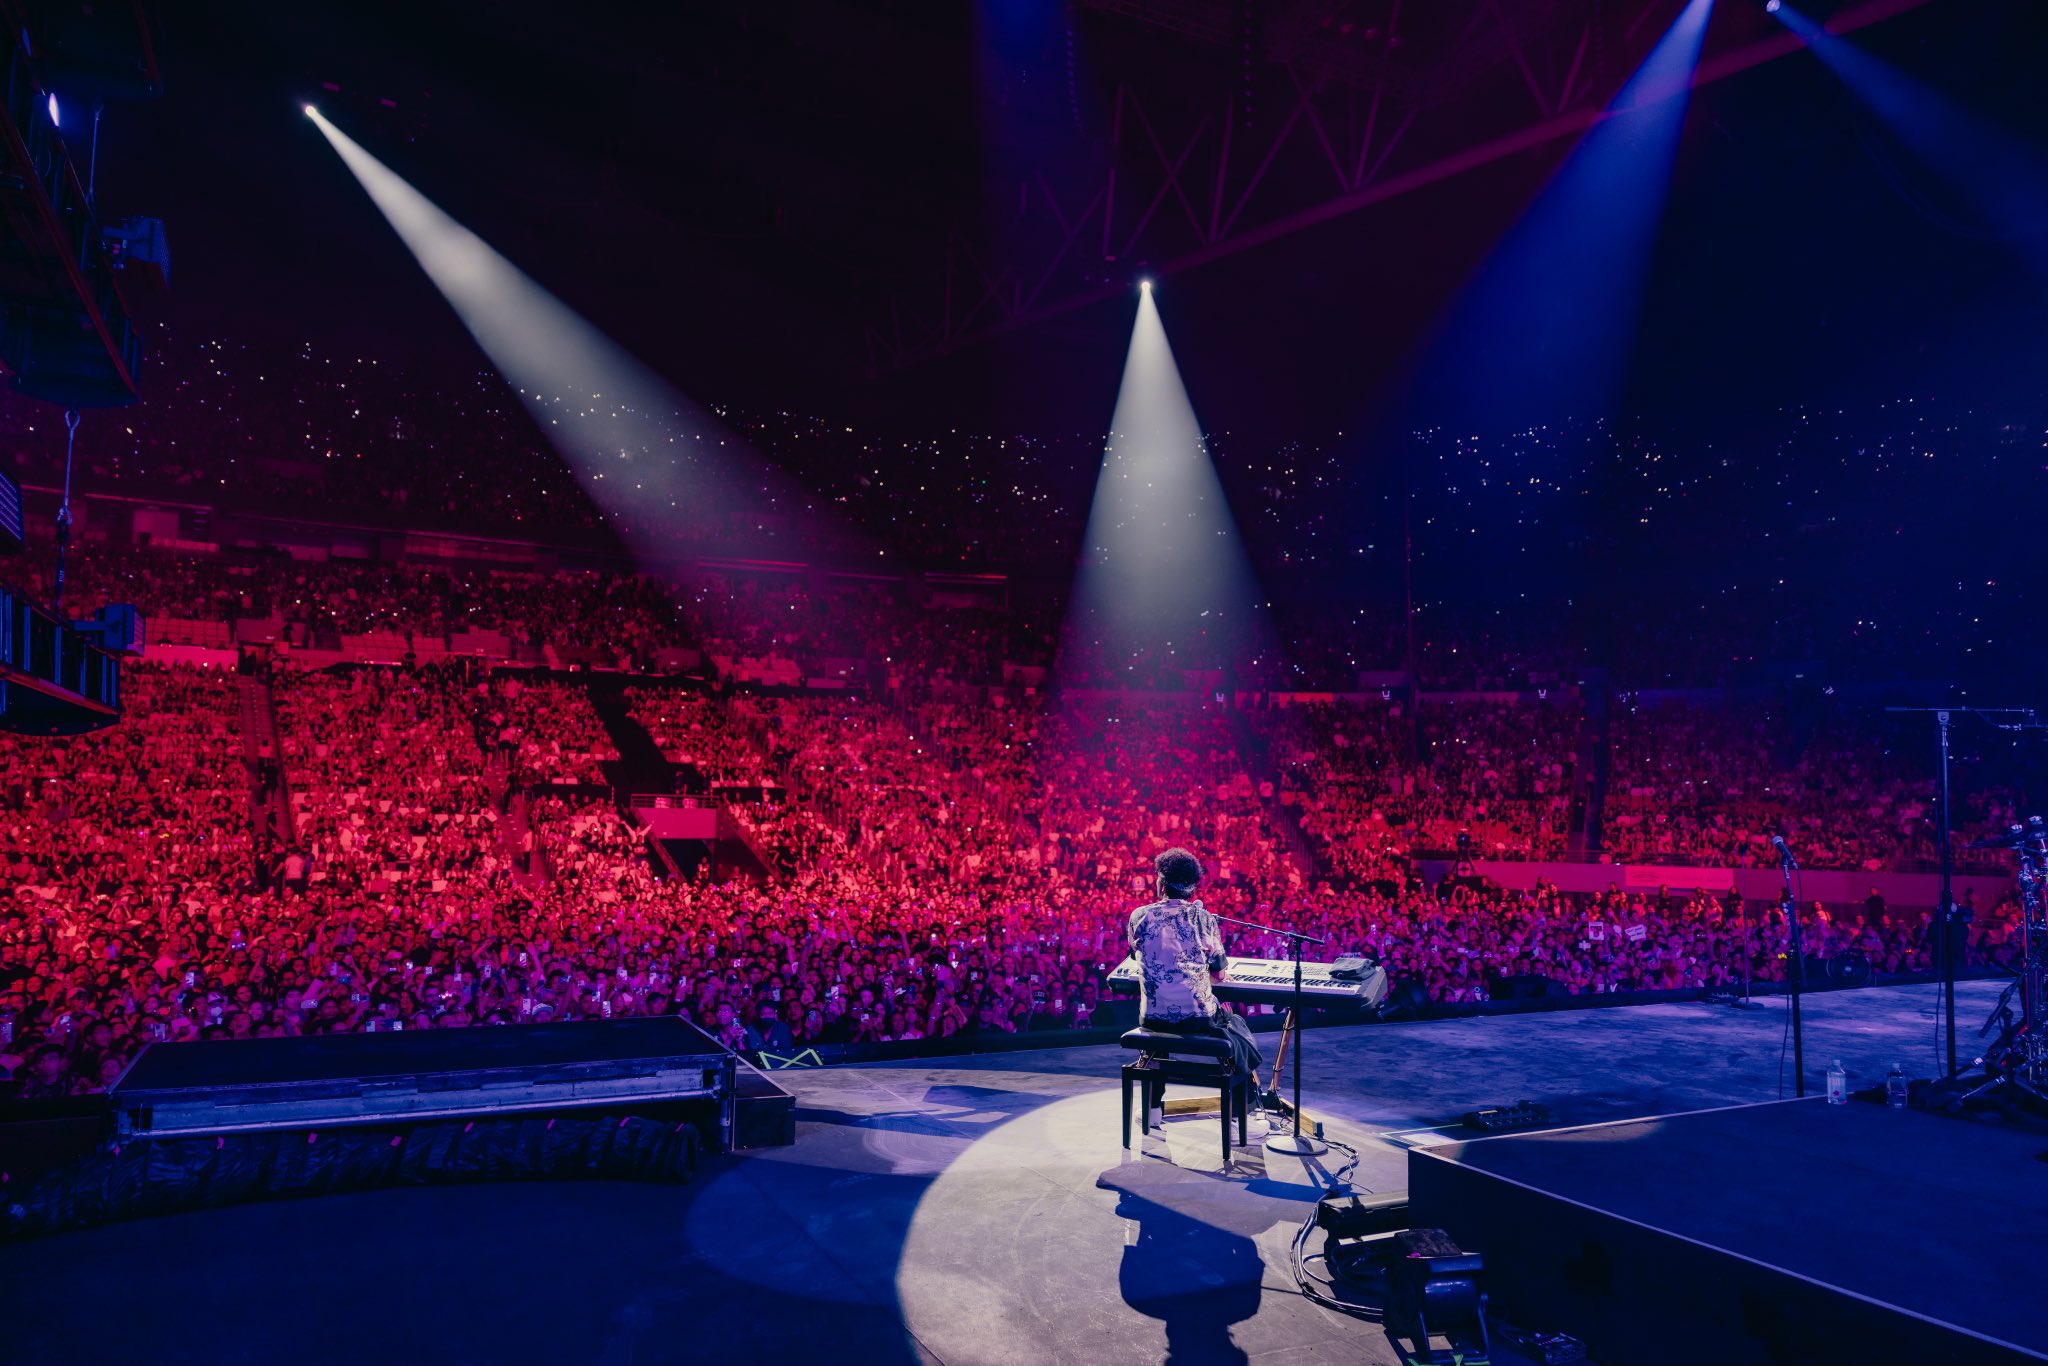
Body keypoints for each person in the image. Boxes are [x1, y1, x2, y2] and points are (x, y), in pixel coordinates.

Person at [1126, 848, 1260, 1075]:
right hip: (1197, 1020)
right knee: (1233, 1019)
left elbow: (1139, 952)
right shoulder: (1204, 919)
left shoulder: (1140, 916)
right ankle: (1241, 1095)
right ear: (1192, 887)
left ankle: (1154, 1106)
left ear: (1163, 883)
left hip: (1151, 1019)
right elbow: (1218, 975)